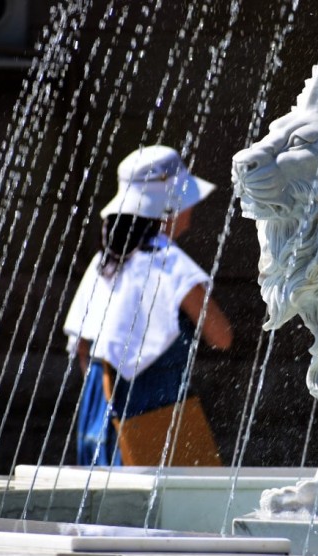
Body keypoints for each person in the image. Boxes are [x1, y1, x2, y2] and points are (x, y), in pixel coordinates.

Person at [63, 145, 233, 467]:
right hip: (155, 407)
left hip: (98, 405)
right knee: (171, 509)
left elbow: (82, 347)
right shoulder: (171, 264)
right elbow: (222, 337)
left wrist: (108, 386)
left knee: (101, 507)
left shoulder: (105, 262)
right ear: (170, 207)